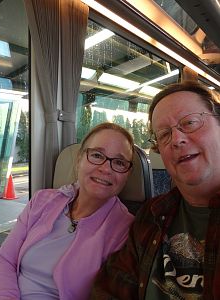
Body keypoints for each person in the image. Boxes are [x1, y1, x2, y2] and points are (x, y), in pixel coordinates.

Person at [90, 80, 220, 299]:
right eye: (164, 134)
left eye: (189, 123)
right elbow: (110, 289)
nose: (177, 140)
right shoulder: (151, 215)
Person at [0, 122, 135, 300]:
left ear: (127, 175)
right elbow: (4, 260)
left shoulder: (126, 230)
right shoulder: (41, 201)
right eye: (97, 155)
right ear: (79, 159)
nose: (105, 169)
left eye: (119, 163)